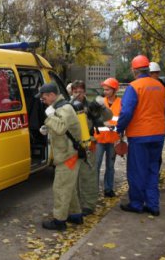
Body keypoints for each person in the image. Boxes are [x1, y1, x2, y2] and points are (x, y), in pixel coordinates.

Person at [116, 55, 165, 217]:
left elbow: (126, 112)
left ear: (134, 70)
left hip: (139, 136)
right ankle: (153, 205)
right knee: (153, 169)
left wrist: (120, 128)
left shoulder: (134, 87)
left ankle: (137, 204)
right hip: (158, 135)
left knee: (137, 171)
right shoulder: (159, 86)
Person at [37, 83, 83, 230]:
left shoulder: (65, 108)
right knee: (68, 187)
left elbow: (61, 127)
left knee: (61, 188)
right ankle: (75, 216)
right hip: (67, 154)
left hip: (68, 156)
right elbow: (61, 127)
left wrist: (49, 117)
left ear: (51, 95)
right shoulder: (60, 107)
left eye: (44, 98)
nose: (43, 101)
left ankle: (59, 221)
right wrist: (47, 128)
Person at [70, 80, 112, 216]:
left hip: (89, 145)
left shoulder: (90, 105)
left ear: (85, 92)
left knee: (88, 176)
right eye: (75, 92)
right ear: (71, 92)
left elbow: (108, 116)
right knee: (73, 177)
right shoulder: (68, 106)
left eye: (80, 92)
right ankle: (76, 204)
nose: (78, 95)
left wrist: (101, 107)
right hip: (73, 147)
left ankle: (89, 205)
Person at [94, 78, 121, 198]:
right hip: (99, 139)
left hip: (113, 139)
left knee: (110, 166)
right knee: (96, 165)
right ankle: (93, 190)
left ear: (114, 90)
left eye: (107, 89)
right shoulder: (99, 102)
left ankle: (108, 189)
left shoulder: (121, 103)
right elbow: (93, 118)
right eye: (104, 89)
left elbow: (123, 120)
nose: (105, 91)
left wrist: (116, 130)